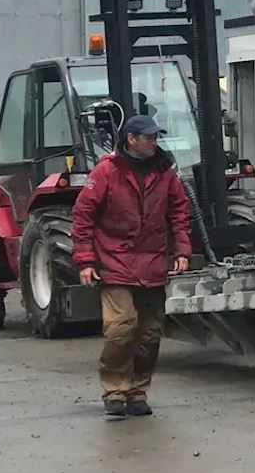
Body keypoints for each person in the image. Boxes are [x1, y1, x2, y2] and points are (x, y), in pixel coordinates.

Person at [70, 113, 192, 419]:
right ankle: (115, 390)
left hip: (152, 264)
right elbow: (83, 216)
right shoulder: (106, 172)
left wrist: (183, 250)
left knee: (149, 335)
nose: (154, 142)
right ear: (131, 139)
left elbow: (179, 213)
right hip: (115, 262)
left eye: (155, 137)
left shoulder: (166, 174)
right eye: (148, 137)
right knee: (121, 329)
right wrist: (85, 260)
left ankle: (137, 392)